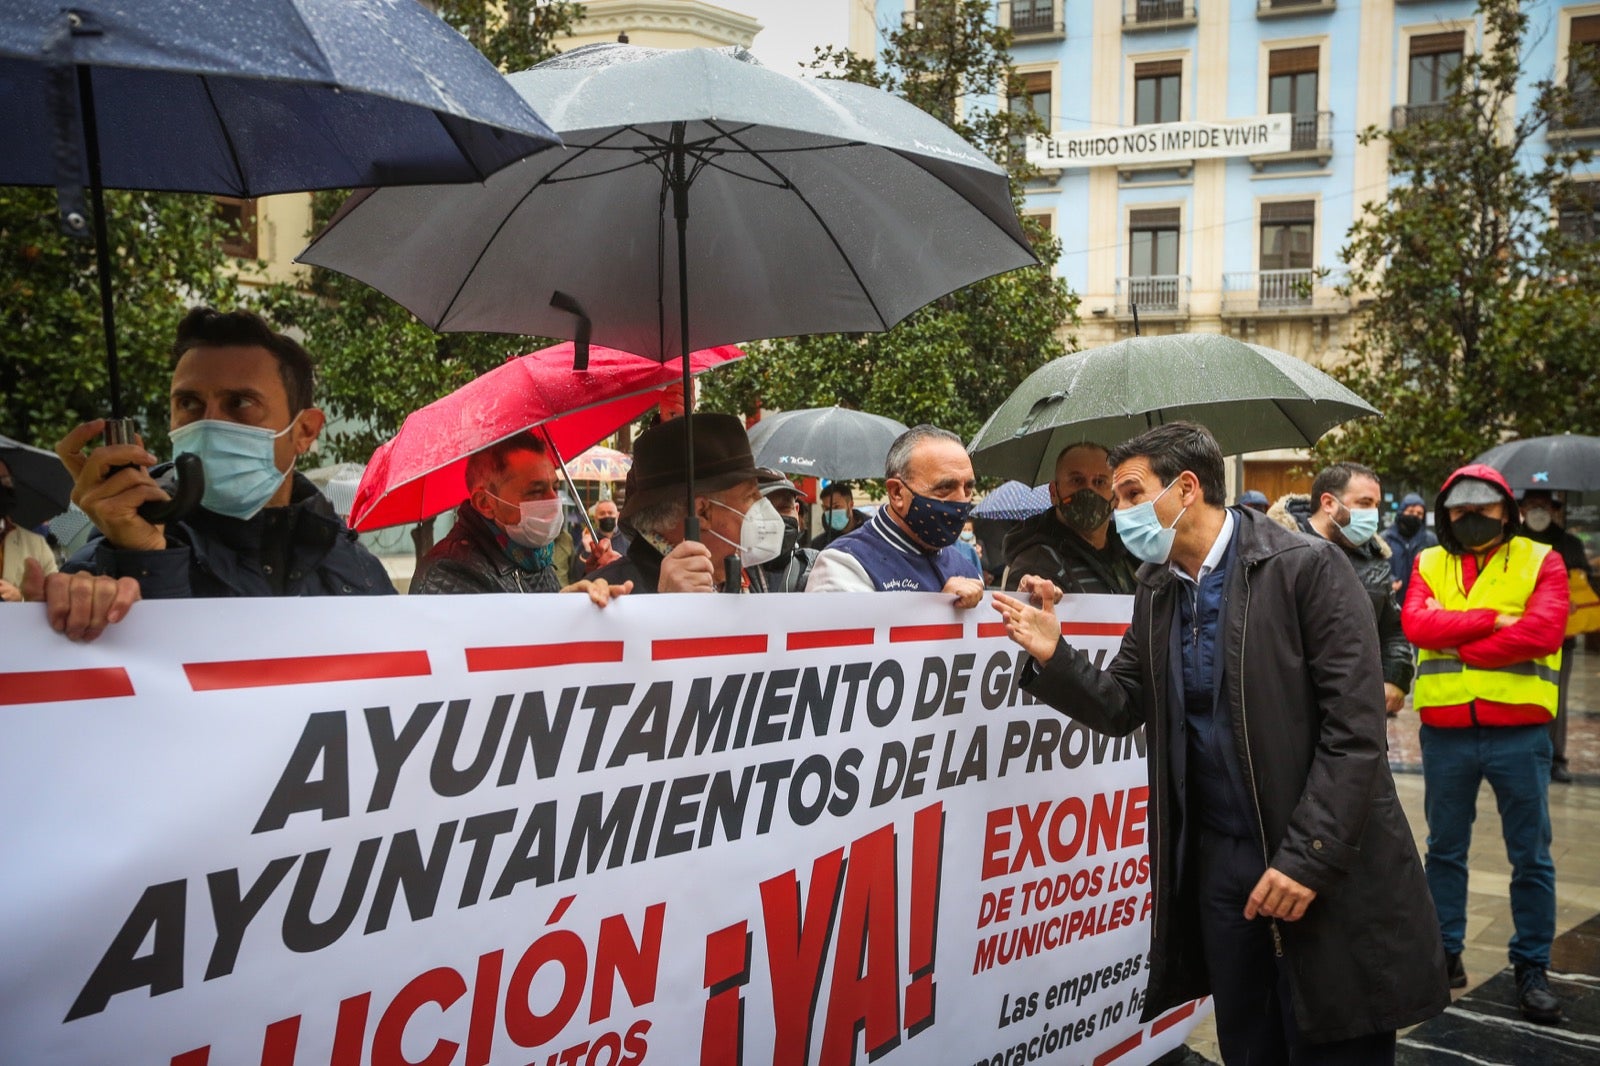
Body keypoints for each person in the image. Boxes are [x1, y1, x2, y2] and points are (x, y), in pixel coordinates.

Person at [992, 421, 1448, 1063]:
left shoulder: (1305, 568)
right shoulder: (1157, 589)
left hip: (1318, 861)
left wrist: (1307, 859)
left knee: (1334, 1037)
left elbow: (1356, 733)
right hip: (1220, 868)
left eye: (1129, 494)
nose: (1117, 513)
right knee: (1250, 1042)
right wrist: (1053, 653)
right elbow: (1124, 703)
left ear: (1184, 490)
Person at [46, 307, 394, 629]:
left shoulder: (354, 565)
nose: (209, 423)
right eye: (189, 403)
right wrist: (142, 560)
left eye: (240, 402)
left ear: (304, 431)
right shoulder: (112, 561)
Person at [1401, 464, 1567, 1022]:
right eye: (1460, 509)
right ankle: (1444, 954)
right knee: (1444, 850)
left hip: (1520, 734)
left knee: (1531, 856)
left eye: (1483, 508)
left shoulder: (1542, 560)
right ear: (1447, 512)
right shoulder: (1428, 561)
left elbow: (1542, 632)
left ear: (1506, 510)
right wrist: (1493, 621)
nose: (1471, 518)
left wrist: (1463, 640)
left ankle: (1531, 966)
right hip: (1446, 735)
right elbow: (1417, 627)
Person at [410, 432, 628, 604]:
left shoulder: (533, 553)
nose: (554, 502)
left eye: (554, 487)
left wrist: (590, 579)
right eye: (535, 491)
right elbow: (502, 653)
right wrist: (563, 609)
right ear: (485, 503)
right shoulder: (449, 571)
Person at [1268, 463, 1413, 714]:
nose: (1373, 515)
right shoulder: (1278, 552)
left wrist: (1394, 677)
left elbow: (1392, 629)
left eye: (1376, 505)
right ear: (1329, 503)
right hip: (1290, 708)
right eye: (1364, 503)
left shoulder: (1375, 559)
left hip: (1357, 708)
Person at [590, 413, 783, 594]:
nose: (763, 505)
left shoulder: (745, 580)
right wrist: (669, 610)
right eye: (751, 495)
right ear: (702, 512)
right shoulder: (610, 597)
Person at [805, 425, 984, 608]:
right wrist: (939, 611)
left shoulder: (965, 567)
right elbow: (843, 634)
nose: (961, 500)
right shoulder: (845, 564)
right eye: (945, 488)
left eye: (968, 488)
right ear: (897, 492)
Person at [1520, 488, 1598, 784]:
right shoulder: (1511, 542)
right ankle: (1523, 757)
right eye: (1532, 504)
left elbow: (1588, 585)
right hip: (1518, 635)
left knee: (1558, 699)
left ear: (1555, 509)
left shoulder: (1570, 544)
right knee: (1520, 696)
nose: (1538, 510)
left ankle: (1556, 759)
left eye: (1544, 505)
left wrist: (1580, 598)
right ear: (1523, 508)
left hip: (1560, 638)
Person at [1001, 441, 1136, 595]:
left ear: (1116, 495)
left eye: (1099, 482)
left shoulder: (1134, 556)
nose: (1089, 491)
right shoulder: (1035, 567)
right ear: (1053, 492)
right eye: (1077, 480)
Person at [0, 456, 58, 602]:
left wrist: (21, 600)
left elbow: (53, 601)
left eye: (6, 480)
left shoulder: (36, 545)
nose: (4, 486)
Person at [755, 467, 819, 593]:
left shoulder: (818, 569)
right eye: (765, 510)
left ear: (796, 510)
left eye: (784, 508)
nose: (776, 518)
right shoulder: (728, 574)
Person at [1382, 492, 1437, 600]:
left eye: (1419, 513)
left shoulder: (1430, 540)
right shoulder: (1385, 538)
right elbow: (1377, 568)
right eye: (1411, 511)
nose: (1415, 516)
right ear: (1402, 512)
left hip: (1421, 600)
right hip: (1393, 600)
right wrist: (1389, 581)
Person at [811, 481, 860, 551]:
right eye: (827, 508)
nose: (832, 512)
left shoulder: (869, 533)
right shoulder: (819, 544)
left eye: (836, 507)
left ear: (850, 505)